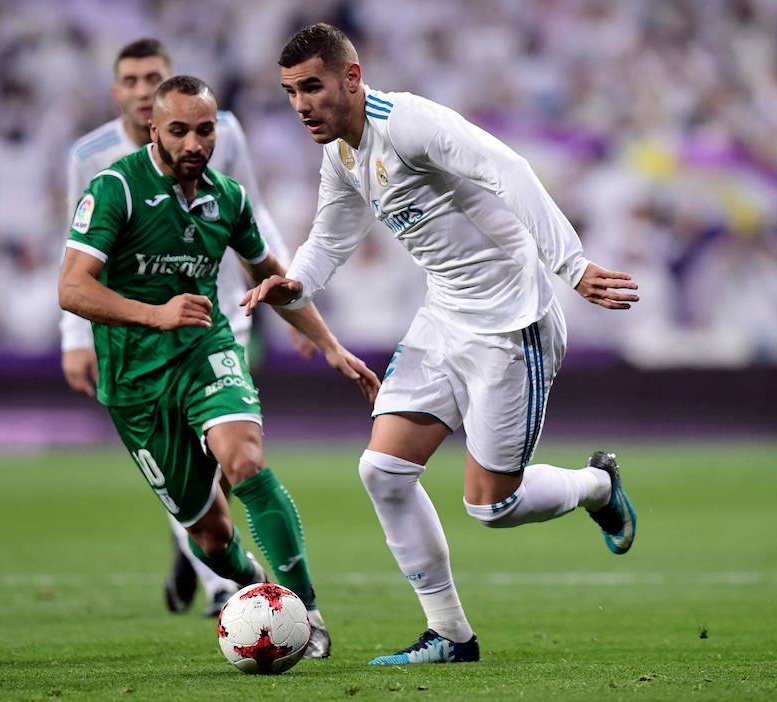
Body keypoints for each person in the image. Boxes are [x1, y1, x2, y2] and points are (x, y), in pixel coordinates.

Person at [242, 23, 640, 665]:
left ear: (351, 76)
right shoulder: (341, 155)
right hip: (443, 316)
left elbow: (507, 168)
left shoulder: (408, 124)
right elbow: (331, 238)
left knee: (492, 506)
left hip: (511, 323)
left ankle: (597, 485)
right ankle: (451, 635)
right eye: (290, 92)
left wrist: (573, 266)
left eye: (311, 87)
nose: (300, 105)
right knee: (383, 471)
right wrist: (292, 282)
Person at [58, 74, 380, 659]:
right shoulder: (115, 190)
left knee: (245, 460)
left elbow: (270, 276)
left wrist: (329, 344)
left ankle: (305, 609)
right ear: (153, 130)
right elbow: (72, 288)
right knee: (210, 533)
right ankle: (251, 578)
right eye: (178, 131)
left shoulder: (226, 197)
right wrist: (154, 314)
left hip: (206, 351)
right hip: (133, 381)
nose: (192, 144)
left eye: (204, 130)